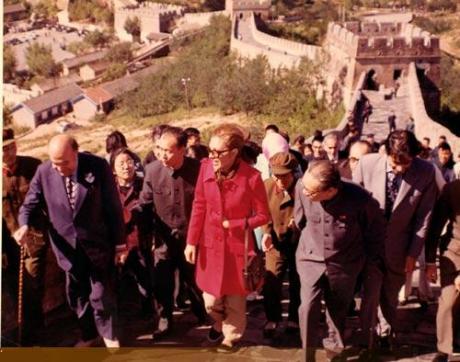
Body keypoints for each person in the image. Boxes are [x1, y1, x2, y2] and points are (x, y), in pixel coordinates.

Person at [15, 135, 125, 348]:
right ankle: (88, 334)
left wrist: (120, 244)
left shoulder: (97, 166)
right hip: (67, 250)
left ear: (76, 152)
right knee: (76, 296)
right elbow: (29, 205)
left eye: (63, 162)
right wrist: (24, 225)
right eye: (54, 163)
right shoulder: (44, 172)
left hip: (97, 245)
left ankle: (110, 336)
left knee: (101, 295)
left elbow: (113, 207)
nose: (58, 168)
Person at [184, 123, 270, 352]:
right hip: (209, 244)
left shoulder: (252, 178)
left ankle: (231, 335)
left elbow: (263, 215)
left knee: (235, 297)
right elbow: (199, 205)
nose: (212, 156)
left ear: (233, 153)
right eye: (210, 150)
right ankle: (218, 322)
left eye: (218, 152)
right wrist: (191, 241)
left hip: (237, 247)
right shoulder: (205, 168)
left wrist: (236, 224)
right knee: (211, 299)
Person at [353, 130, 438, 351]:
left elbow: (424, 218)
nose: (400, 169)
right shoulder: (366, 164)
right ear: (386, 152)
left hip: (400, 247)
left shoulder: (426, 172)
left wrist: (413, 254)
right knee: (369, 293)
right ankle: (368, 337)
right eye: (395, 163)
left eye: (407, 163)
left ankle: (386, 332)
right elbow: (353, 208)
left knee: (390, 296)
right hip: (368, 244)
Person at [295, 160, 386, 361]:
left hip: (345, 264)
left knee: (337, 308)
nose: (306, 193)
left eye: (312, 192)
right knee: (308, 307)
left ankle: (334, 349)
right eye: (305, 188)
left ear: (331, 190)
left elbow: (374, 232)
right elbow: (300, 221)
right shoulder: (302, 187)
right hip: (310, 258)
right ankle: (306, 355)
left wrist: (371, 265)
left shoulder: (360, 198)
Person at [139, 126, 207, 335]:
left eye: (167, 150)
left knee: (194, 280)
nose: (162, 154)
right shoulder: (152, 170)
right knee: (162, 282)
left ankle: (203, 313)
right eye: (159, 149)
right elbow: (145, 203)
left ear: (182, 150)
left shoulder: (198, 170)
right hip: (163, 239)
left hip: (191, 238)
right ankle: (165, 318)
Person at [2, 128, 48, 345]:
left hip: (34, 238)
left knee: (31, 288)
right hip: (8, 245)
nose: (8, 152)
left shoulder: (34, 166)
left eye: (11, 146)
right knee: (13, 290)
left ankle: (34, 339)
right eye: (3, 149)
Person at [261, 152, 301, 339]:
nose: (280, 180)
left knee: (297, 282)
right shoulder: (267, 187)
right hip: (275, 243)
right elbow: (262, 212)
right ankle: (272, 318)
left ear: (293, 173)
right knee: (272, 281)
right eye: (277, 176)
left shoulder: (302, 188)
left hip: (298, 244)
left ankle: (294, 318)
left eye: (284, 176)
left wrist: (299, 223)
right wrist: (267, 233)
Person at [110, 148, 153, 318]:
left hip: (141, 239)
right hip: (118, 242)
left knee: (146, 280)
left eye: (129, 162)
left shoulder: (144, 184)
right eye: (121, 163)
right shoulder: (108, 188)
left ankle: (149, 314)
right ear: (113, 168)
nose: (126, 167)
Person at [425, 179, 460, 362]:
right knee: (448, 302)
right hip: (454, 252)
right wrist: (430, 261)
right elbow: (435, 226)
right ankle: (444, 348)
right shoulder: (452, 189)